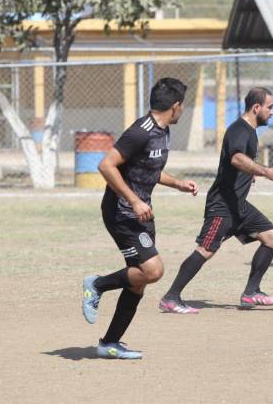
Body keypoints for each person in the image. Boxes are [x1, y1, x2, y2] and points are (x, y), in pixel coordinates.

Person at [81, 78, 199, 359]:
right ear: (176, 106)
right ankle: (96, 285)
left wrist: (177, 183)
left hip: (141, 212)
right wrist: (134, 200)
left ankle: (109, 343)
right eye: (183, 105)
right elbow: (106, 165)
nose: (183, 110)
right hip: (122, 212)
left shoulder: (163, 130)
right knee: (152, 271)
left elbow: (147, 169)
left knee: (138, 280)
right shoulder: (140, 132)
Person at [158, 87, 273, 314]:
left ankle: (251, 293)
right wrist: (266, 172)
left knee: (272, 236)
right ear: (256, 108)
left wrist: (251, 176)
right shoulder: (239, 130)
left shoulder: (251, 131)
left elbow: (240, 164)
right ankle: (171, 297)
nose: (272, 112)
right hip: (222, 206)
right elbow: (237, 158)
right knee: (205, 250)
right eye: (270, 107)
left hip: (238, 205)